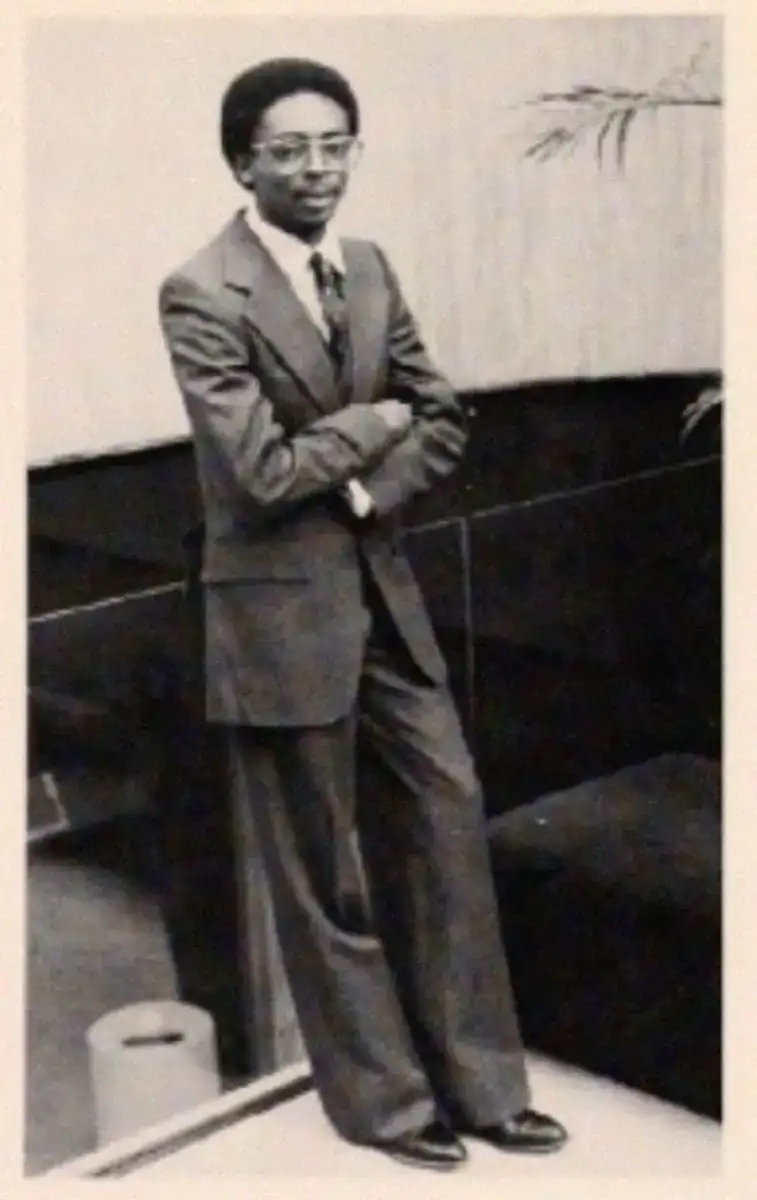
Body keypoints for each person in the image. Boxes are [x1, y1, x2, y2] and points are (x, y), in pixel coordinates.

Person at [158, 56, 567, 1171]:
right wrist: (372, 422)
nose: (317, 168)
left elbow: (440, 413)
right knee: (321, 880)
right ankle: (386, 1110)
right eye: (289, 150)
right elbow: (250, 471)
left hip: (382, 600)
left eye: (334, 144)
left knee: (445, 828)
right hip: (279, 623)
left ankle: (484, 1089)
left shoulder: (372, 267)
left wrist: (361, 472)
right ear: (243, 161)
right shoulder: (202, 289)